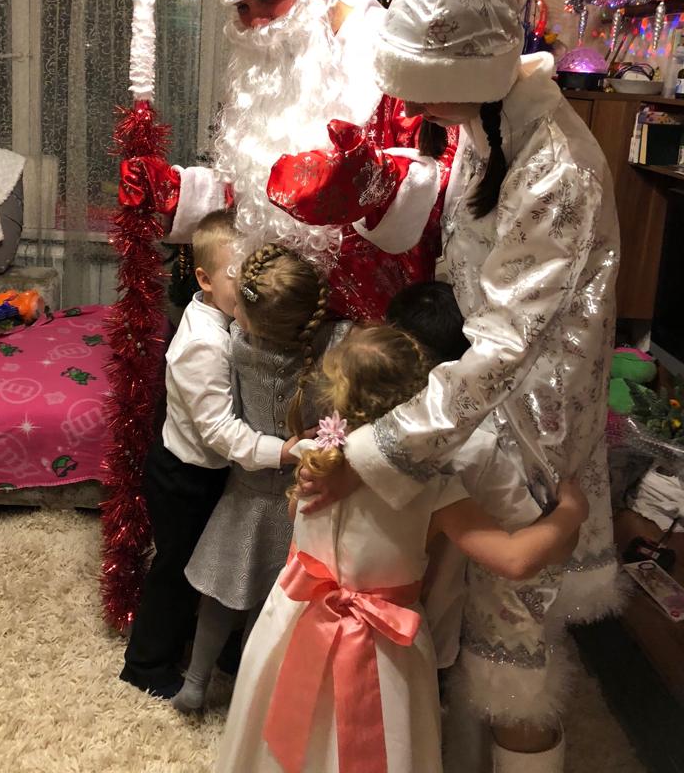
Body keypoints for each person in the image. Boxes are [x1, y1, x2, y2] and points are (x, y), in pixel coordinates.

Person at [282, 0, 621, 773]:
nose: (408, 105)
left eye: (421, 84)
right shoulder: (487, 125)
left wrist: (376, 447)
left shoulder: (557, 166)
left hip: (529, 434)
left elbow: (508, 342)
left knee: (513, 657)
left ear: (471, 72)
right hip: (474, 408)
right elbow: (465, 279)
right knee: (457, 626)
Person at [214, 324, 589, 773]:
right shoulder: (432, 487)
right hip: (382, 644)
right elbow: (515, 559)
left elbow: (297, 516)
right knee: (378, 741)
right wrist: (572, 513)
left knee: (288, 736)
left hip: (292, 618)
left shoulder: (315, 455)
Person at [119, 0, 457, 322]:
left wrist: (371, 184)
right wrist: (179, 194)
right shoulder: (269, 70)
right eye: (243, 7)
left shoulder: (389, 63)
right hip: (277, 321)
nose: (257, 22)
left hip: (372, 328)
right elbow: (257, 199)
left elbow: (451, 187)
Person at [119, 211, 297, 699]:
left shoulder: (226, 322)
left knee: (204, 564)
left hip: (205, 472)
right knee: (178, 569)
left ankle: (209, 645)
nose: (251, 288)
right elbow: (219, 430)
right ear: (204, 279)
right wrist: (281, 451)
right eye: (239, 277)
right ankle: (146, 663)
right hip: (184, 476)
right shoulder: (205, 343)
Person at [171, 243, 349, 713]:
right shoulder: (335, 344)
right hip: (300, 502)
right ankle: (250, 697)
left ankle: (195, 682)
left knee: (220, 596)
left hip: (247, 494)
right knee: (274, 608)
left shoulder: (236, 343)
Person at [386, 281, 543, 680]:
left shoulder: (362, 421)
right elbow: (521, 524)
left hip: (352, 610)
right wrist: (571, 515)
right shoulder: (480, 445)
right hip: (428, 620)